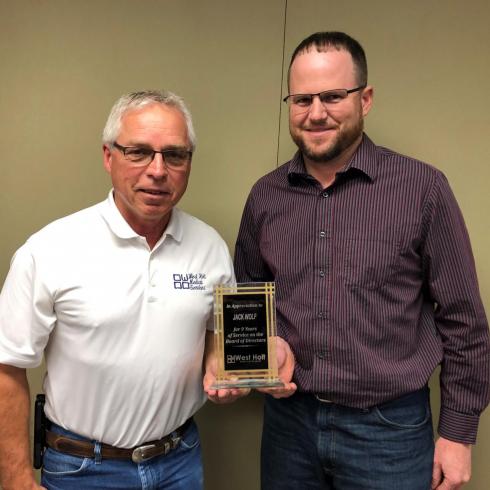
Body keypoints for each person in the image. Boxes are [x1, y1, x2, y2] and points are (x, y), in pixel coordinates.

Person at [234, 31, 490, 490]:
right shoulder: (265, 197)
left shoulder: (422, 189)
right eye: (302, 99)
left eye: (333, 96)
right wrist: (260, 354)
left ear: (365, 98)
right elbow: (249, 299)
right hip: (289, 428)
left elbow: (464, 322)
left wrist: (458, 432)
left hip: (388, 431)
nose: (316, 113)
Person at [0, 90, 241, 490]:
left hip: (179, 462)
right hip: (82, 469)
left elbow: (216, 339)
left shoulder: (210, 247)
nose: (158, 170)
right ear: (109, 157)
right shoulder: (51, 249)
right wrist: (15, 478)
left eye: (174, 155)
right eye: (139, 152)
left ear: (189, 164)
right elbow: (7, 363)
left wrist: (224, 372)